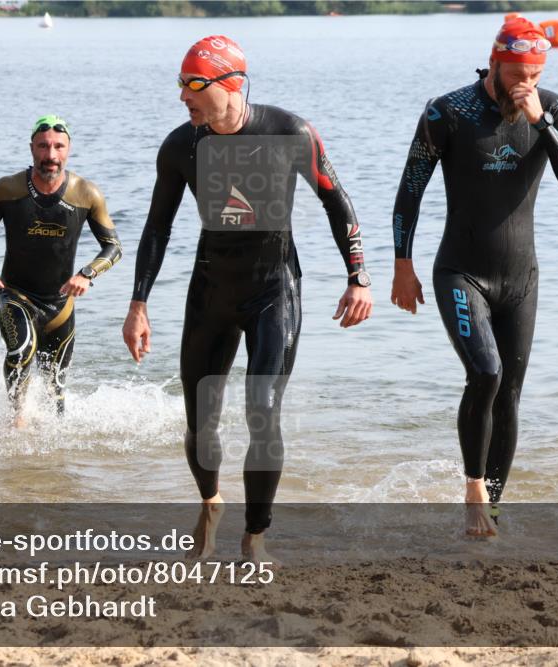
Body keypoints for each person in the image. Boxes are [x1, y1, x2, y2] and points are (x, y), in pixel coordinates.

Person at [122, 35, 373, 563]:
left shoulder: (289, 131)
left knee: (262, 409)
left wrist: (359, 277)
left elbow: (336, 199)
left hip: (273, 290)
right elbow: (156, 229)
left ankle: (255, 535)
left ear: (230, 84)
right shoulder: (180, 146)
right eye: (180, 84)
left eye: (194, 84)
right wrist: (138, 304)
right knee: (200, 421)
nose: (183, 97)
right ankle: (211, 502)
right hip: (211, 292)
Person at [389, 17, 558, 536]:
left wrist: (540, 121)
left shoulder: (555, 107)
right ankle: (474, 485)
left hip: (522, 279)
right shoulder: (448, 111)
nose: (524, 83)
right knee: (485, 373)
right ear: (495, 62)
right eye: (515, 73)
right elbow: (411, 189)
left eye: (534, 73)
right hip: (461, 271)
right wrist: (402, 265)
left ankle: (492, 512)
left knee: (510, 394)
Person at [0, 115, 122, 427]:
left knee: (56, 394)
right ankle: (16, 423)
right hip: (14, 294)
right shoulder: (6, 189)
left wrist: (87, 275)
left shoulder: (87, 194)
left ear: (68, 150)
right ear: (31, 149)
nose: (50, 155)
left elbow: (113, 247)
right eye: (43, 146)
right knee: (21, 351)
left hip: (60, 305)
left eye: (58, 147)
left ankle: (54, 460)